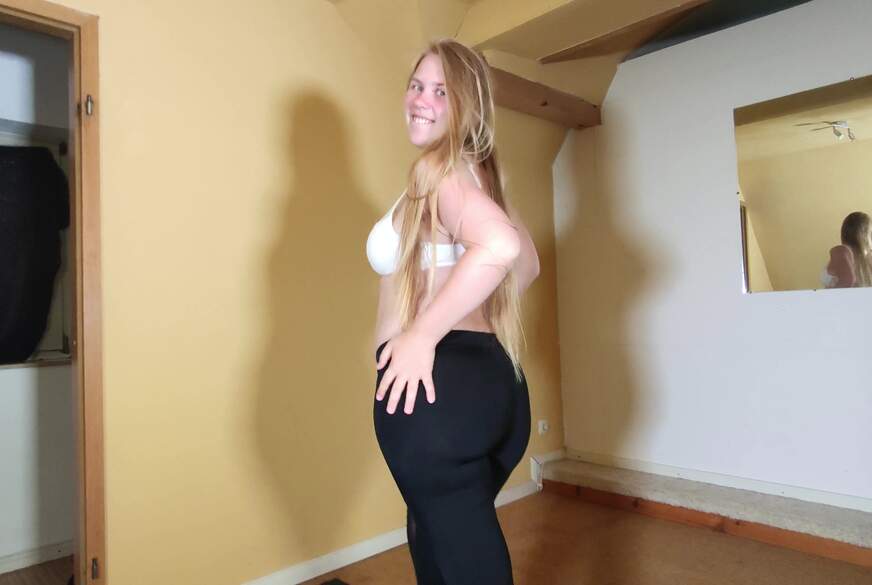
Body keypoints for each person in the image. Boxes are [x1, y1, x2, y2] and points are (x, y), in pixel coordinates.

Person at [366, 38, 539, 584]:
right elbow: (528, 266)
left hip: (438, 398)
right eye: (417, 85)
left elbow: (501, 247)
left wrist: (421, 336)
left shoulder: (435, 172)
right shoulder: (483, 176)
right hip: (495, 387)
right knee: (437, 540)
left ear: (468, 106)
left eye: (442, 92)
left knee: (457, 559)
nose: (422, 99)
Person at [823, 211, 872, 288]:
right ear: (865, 235)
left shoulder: (842, 252)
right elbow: (847, 280)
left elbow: (847, 281)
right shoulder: (842, 252)